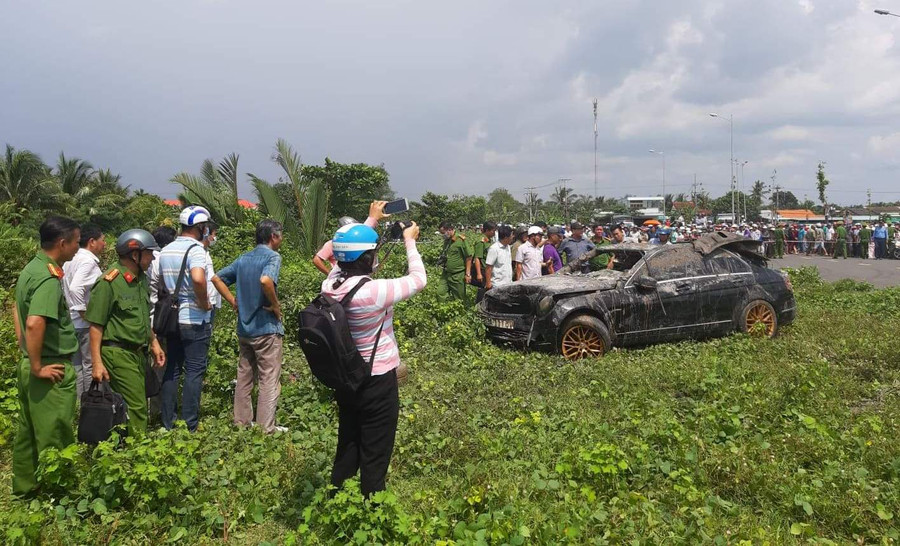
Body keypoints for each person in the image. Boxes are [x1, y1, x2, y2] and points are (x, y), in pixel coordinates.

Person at [322, 220, 426, 496]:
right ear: (369, 257)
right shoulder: (374, 291)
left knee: (349, 440)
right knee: (376, 449)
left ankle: (338, 496)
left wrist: (370, 220)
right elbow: (419, 279)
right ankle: (373, 506)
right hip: (377, 379)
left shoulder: (330, 284)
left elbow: (340, 258)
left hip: (346, 377)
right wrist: (410, 241)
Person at [12, 216, 81, 497]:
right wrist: (39, 366)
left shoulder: (31, 268)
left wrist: (27, 354)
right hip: (49, 366)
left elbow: (19, 314)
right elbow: (34, 322)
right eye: (76, 242)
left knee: (28, 432)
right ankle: (60, 496)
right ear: (62, 243)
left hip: (30, 362)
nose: (78, 248)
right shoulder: (47, 277)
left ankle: (26, 489)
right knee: (57, 432)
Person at [86, 229, 165, 435]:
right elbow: (95, 325)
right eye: (148, 253)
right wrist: (97, 362)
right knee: (137, 406)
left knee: (133, 403)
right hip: (118, 353)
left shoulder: (140, 280)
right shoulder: (109, 282)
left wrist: (154, 343)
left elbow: (141, 317)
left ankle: (121, 446)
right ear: (134, 254)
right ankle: (138, 451)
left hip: (139, 352)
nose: (152, 257)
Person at [212, 219, 287, 434]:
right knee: (268, 379)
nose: (281, 240)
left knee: (244, 377)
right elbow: (265, 281)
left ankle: (241, 423)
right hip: (265, 329)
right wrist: (275, 306)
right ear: (273, 236)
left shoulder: (244, 258)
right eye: (280, 235)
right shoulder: (273, 257)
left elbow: (217, 278)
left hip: (245, 329)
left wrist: (233, 302)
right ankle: (266, 429)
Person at [157, 206, 214, 431]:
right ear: (200, 228)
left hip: (171, 319)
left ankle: (167, 422)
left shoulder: (166, 250)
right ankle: (190, 423)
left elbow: (158, 283)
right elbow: (199, 279)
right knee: (194, 370)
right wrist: (203, 303)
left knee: (172, 368)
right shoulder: (197, 250)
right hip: (194, 318)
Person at [61, 223, 106, 398]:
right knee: (90, 364)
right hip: (84, 324)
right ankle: (90, 402)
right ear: (92, 242)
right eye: (103, 240)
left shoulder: (72, 259)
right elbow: (75, 288)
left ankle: (79, 404)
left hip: (72, 322)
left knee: (77, 367)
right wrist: (83, 313)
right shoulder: (88, 261)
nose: (105, 244)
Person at [437, 221, 471, 300]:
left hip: (457, 275)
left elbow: (469, 257)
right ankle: (445, 310)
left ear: (450, 229)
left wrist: (468, 274)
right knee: (440, 293)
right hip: (446, 273)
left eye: (443, 233)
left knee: (459, 298)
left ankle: (459, 310)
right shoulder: (447, 241)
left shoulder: (460, 240)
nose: (443, 235)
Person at [483, 225, 513, 293]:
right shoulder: (494, 249)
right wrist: (488, 283)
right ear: (506, 237)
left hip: (508, 283)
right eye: (511, 235)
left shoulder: (508, 247)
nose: (512, 237)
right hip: (497, 285)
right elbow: (488, 267)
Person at [471, 221, 496, 289]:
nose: (494, 233)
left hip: (488, 269)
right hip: (483, 270)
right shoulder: (481, 241)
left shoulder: (489, 240)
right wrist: (479, 274)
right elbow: (477, 258)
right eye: (493, 231)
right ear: (487, 230)